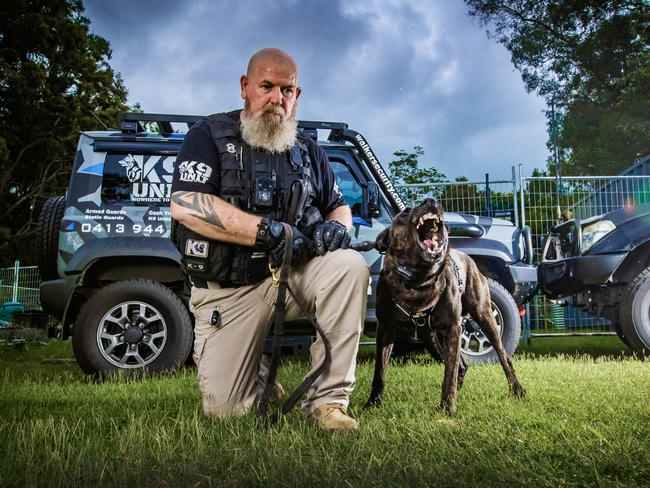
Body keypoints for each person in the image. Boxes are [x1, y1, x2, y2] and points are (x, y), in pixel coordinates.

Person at [170, 48, 369, 433]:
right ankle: (255, 369)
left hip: (291, 280)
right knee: (228, 412)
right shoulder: (207, 135)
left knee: (349, 267)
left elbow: (338, 206)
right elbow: (186, 204)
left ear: (297, 95)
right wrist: (265, 231)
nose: (277, 99)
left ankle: (329, 403)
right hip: (229, 291)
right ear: (246, 87)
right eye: (267, 86)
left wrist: (338, 228)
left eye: (287, 90)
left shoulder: (309, 150)